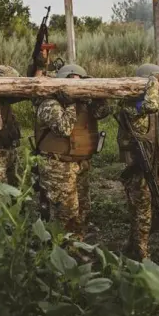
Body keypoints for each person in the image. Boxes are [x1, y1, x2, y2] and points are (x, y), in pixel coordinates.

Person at [33, 64, 111, 241]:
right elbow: (64, 128)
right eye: (72, 82)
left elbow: (103, 112)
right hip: (58, 166)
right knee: (66, 213)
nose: (76, 86)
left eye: (79, 82)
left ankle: (78, 242)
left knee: (83, 209)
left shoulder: (83, 102)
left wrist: (98, 96)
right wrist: (69, 104)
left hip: (81, 162)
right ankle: (63, 252)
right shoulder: (49, 104)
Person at [115, 63, 159, 260]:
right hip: (137, 170)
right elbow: (151, 105)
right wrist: (153, 81)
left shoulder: (140, 105)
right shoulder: (131, 105)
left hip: (150, 166)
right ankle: (141, 254)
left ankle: (132, 246)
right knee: (143, 213)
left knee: (147, 208)